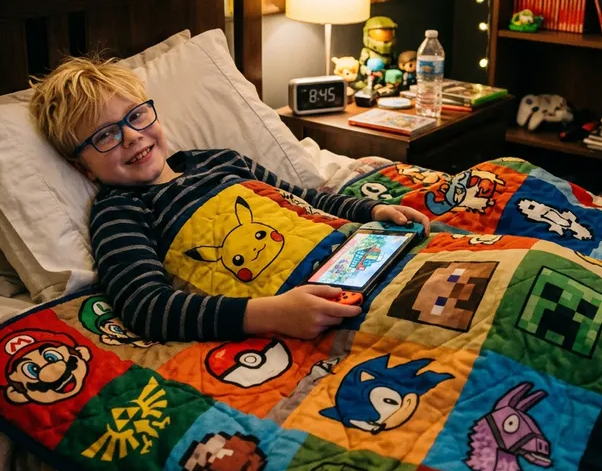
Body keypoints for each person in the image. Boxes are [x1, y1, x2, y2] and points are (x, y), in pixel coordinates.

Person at [29, 56, 430, 344]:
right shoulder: (120, 211)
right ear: (83, 168)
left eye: (135, 116)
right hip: (304, 306)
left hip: (359, 255)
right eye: (104, 136)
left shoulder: (220, 160)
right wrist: (273, 314)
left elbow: (302, 200)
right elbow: (146, 306)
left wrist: (371, 209)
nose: (131, 136)